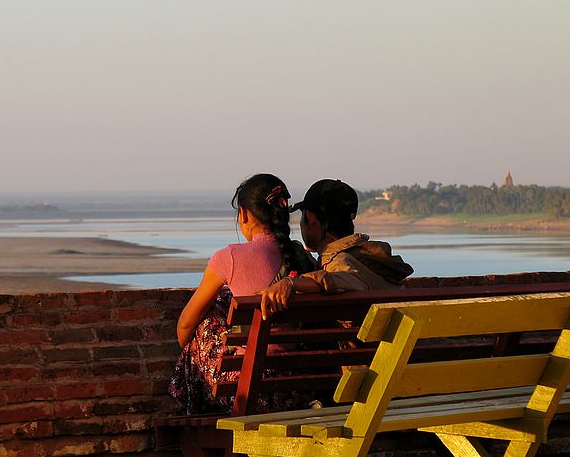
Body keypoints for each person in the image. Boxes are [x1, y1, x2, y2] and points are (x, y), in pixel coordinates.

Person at [169, 173, 316, 414]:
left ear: (244, 214)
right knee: (224, 302)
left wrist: (197, 351)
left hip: (249, 393)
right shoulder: (305, 259)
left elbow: (184, 326)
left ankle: (190, 402)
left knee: (207, 316)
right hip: (300, 390)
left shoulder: (229, 258)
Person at [258, 179, 414, 319]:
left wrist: (291, 282)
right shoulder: (368, 255)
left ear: (311, 219)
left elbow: (348, 279)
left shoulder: (339, 262)